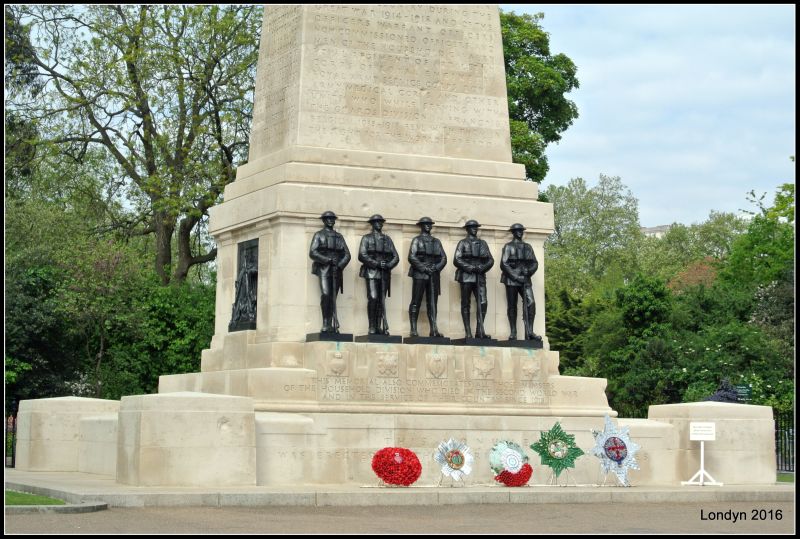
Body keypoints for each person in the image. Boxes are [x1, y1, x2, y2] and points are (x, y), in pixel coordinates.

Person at [309, 210, 351, 333]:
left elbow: (347, 254)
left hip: (336, 270)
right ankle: (326, 323)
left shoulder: (339, 237)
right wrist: (327, 260)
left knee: (333, 297)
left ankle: (332, 323)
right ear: (324, 220)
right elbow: (313, 252)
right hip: (323, 269)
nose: (331, 221)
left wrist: (340, 265)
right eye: (328, 219)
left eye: (333, 219)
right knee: (326, 294)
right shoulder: (318, 235)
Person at [358, 214, 399, 335]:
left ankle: (378, 326)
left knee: (381, 300)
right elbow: (362, 255)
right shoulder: (366, 238)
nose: (379, 224)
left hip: (384, 273)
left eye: (381, 222)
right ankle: (372, 326)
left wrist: (388, 265)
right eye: (376, 222)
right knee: (373, 298)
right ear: (372, 224)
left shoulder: (387, 239)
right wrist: (376, 263)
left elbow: (395, 257)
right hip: (371, 272)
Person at [500, 223, 542, 341]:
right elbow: (504, 264)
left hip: (525, 279)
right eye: (517, 230)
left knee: (531, 302)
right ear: (513, 232)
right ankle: (513, 332)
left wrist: (529, 271)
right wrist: (516, 276)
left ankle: (530, 331)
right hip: (512, 279)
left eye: (521, 230)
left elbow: (534, 263)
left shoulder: (528, 247)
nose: (520, 232)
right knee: (512, 305)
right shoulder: (508, 246)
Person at [407, 217, 447, 337]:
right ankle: (413, 329)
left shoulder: (436, 241)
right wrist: (424, 268)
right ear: (421, 226)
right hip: (420, 273)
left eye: (430, 224)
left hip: (433, 274)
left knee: (433, 303)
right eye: (426, 224)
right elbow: (412, 256)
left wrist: (436, 267)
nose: (428, 226)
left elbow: (443, 258)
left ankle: (434, 329)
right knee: (416, 301)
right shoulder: (416, 240)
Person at [453, 219, 494, 338]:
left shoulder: (483, 243)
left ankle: (479, 330)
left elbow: (490, 260)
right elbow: (457, 259)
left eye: (476, 227)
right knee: (466, 303)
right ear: (467, 229)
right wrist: (470, 267)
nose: (475, 229)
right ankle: (468, 332)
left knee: (483, 302)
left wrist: (482, 267)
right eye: (472, 227)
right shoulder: (462, 243)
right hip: (466, 276)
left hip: (480, 276)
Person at [229, 245, 258, 331]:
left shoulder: (251, 266)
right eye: (245, 257)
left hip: (249, 289)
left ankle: (249, 313)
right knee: (240, 303)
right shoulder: (242, 270)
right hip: (242, 291)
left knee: (249, 302)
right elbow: (239, 281)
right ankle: (238, 317)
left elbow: (256, 271)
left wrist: (249, 271)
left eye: (247, 257)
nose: (246, 258)